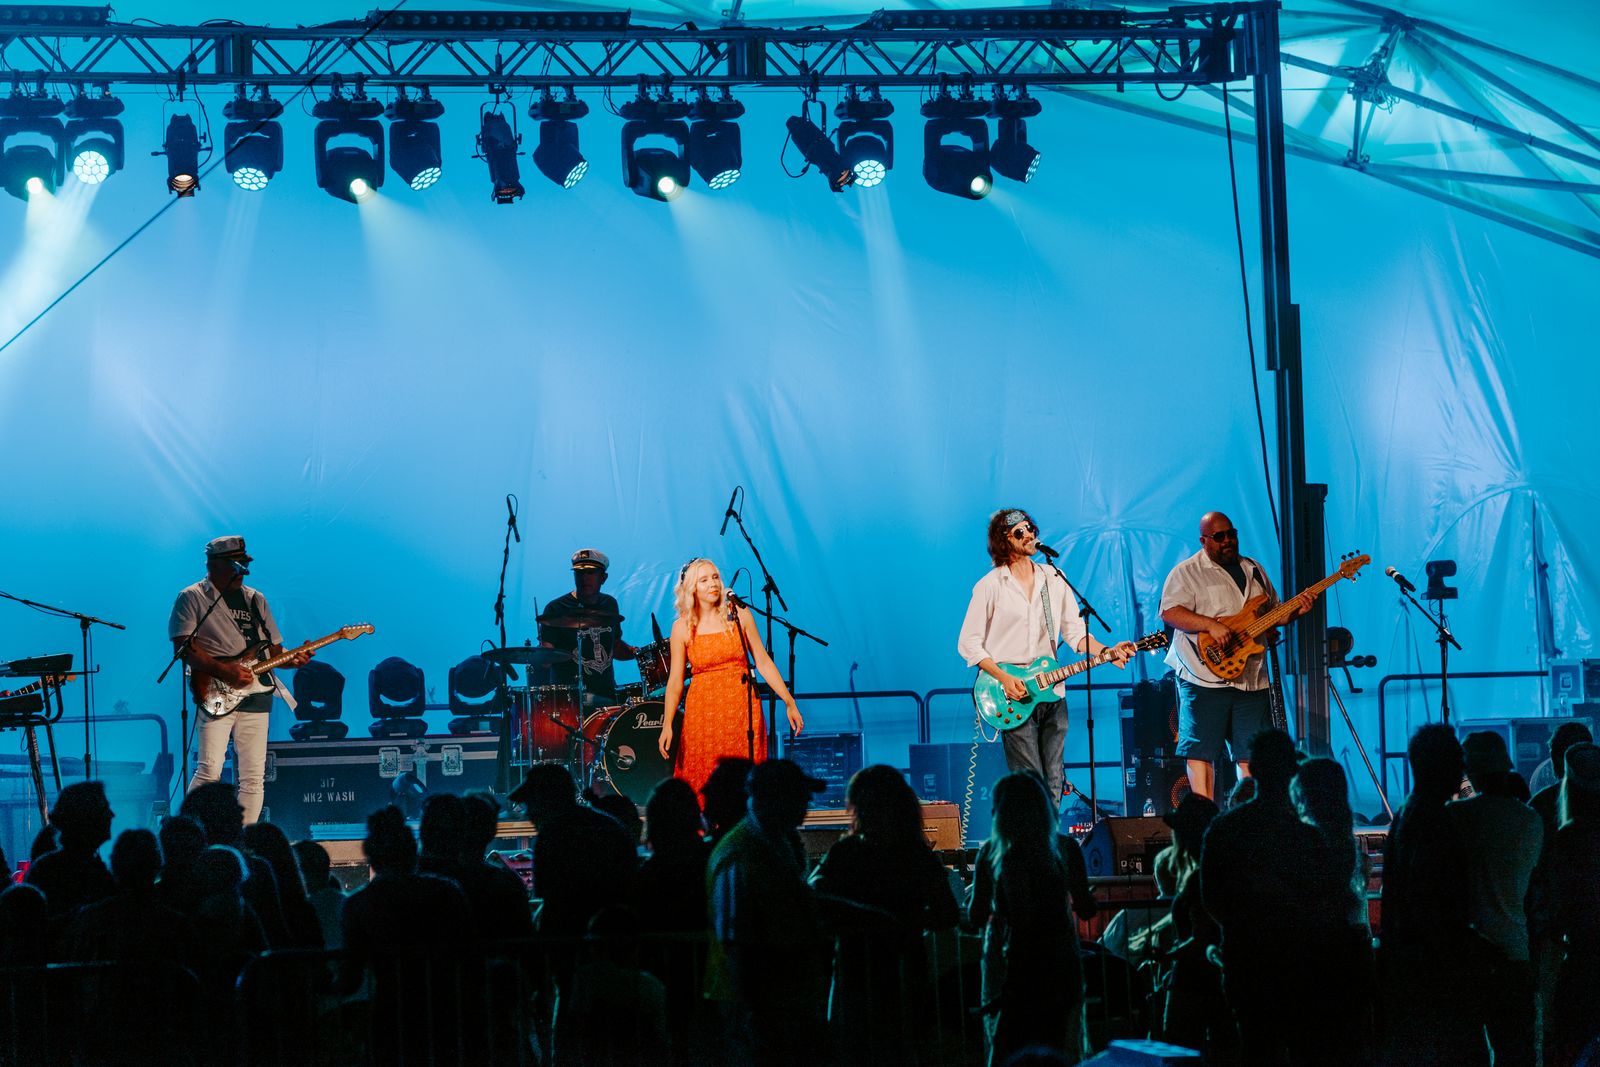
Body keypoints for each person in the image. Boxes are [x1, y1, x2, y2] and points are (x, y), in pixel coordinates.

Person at [957, 508, 1136, 807]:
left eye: (1030, 528)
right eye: (1019, 531)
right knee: (1030, 779)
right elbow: (969, 644)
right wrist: (1004, 678)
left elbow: (1075, 633)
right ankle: (1032, 834)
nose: (1029, 535)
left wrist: (1107, 652)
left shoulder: (1053, 577)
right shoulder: (990, 585)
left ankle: (1051, 835)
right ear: (1004, 540)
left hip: (1052, 690)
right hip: (1012, 692)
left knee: (1054, 778)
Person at [1159, 511, 1312, 801]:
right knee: (1201, 752)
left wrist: (1294, 613)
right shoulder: (1187, 572)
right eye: (1219, 537)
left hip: (1250, 678)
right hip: (1203, 677)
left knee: (1251, 755)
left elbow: (1272, 613)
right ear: (1204, 541)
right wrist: (1210, 625)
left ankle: (1250, 813)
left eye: (1232, 534)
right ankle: (1204, 818)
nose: (1228, 540)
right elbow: (1170, 612)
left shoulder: (1253, 569)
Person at [169, 535, 311, 824]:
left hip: (257, 693)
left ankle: (243, 837)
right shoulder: (192, 597)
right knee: (209, 770)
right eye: (235, 564)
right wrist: (225, 671)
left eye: (244, 564)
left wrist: (292, 659)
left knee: (253, 777)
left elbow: (273, 652)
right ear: (213, 565)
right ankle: (189, 832)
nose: (242, 571)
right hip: (215, 691)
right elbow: (184, 647)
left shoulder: (256, 599)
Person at [706, 759, 830, 1066]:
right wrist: (755, 1011)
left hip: (773, 1002)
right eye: (799, 798)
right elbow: (734, 941)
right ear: (774, 800)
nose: (806, 806)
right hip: (756, 1006)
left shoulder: (771, 843)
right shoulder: (741, 853)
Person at [967, 771, 1085, 1065]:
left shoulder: (992, 853)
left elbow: (976, 915)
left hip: (1010, 964)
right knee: (1060, 1045)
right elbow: (1086, 908)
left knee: (1005, 1047)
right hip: (1060, 960)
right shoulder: (1065, 848)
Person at [656, 559, 804, 793]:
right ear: (692, 588)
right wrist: (667, 724)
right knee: (703, 775)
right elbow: (675, 681)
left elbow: (763, 661)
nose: (713, 584)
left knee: (742, 778)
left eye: (715, 577)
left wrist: (789, 701)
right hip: (702, 714)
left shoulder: (739, 615)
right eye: (704, 580)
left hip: (741, 710)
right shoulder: (681, 627)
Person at [1447, 730, 1543, 1067]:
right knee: (1516, 1050)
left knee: (1466, 1052)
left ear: (1469, 771)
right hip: (1515, 951)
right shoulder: (1530, 820)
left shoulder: (1456, 816)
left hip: (1466, 955)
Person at [537, 548, 637, 702]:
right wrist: (537, 655)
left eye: (590, 573)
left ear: (603, 578)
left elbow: (615, 647)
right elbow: (547, 656)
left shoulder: (609, 604)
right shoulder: (555, 609)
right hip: (570, 699)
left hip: (607, 693)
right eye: (579, 573)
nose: (584, 578)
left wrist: (640, 653)